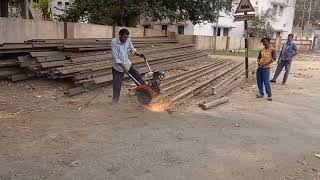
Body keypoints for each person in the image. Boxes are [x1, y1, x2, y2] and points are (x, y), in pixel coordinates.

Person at [111, 29, 146, 104]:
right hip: (118, 67)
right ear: (120, 35)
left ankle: (145, 93)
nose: (125, 39)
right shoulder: (114, 42)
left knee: (138, 77)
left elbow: (132, 50)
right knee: (117, 85)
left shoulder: (128, 40)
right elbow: (115, 57)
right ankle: (115, 101)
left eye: (127, 37)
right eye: (124, 37)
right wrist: (123, 67)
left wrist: (139, 54)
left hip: (127, 64)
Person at [256, 37, 276, 101]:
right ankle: (261, 93)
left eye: (264, 41)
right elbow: (258, 58)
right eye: (263, 42)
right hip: (260, 68)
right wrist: (258, 62)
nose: (263, 43)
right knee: (259, 81)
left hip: (266, 68)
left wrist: (266, 64)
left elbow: (274, 59)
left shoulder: (272, 50)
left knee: (266, 82)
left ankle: (269, 95)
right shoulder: (261, 50)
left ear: (268, 42)